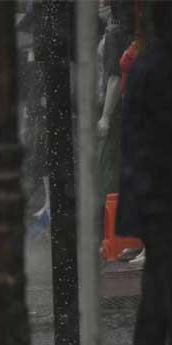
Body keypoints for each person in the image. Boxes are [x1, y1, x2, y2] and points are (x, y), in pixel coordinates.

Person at [116, 2, 172, 344]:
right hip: (161, 199)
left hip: (152, 198)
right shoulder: (160, 67)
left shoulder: (148, 64)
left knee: (157, 289)